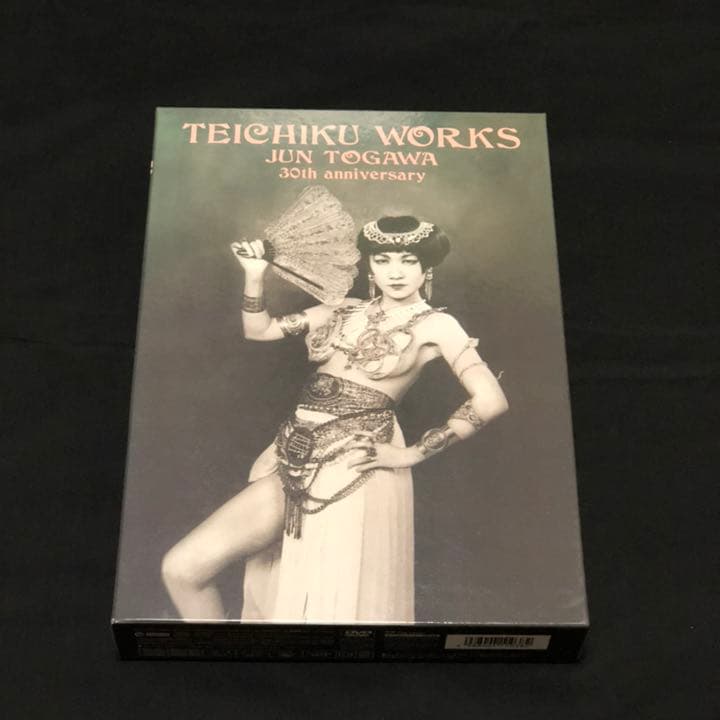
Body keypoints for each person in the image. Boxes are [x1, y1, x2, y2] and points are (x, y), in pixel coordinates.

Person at [161, 215, 508, 622]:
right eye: (383, 260)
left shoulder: (438, 324)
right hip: (292, 457)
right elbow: (260, 330)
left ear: (426, 267)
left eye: (408, 260)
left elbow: (491, 400)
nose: (395, 272)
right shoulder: (343, 309)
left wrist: (410, 454)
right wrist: (254, 276)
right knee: (183, 569)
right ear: (370, 266)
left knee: (329, 608)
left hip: (354, 466)